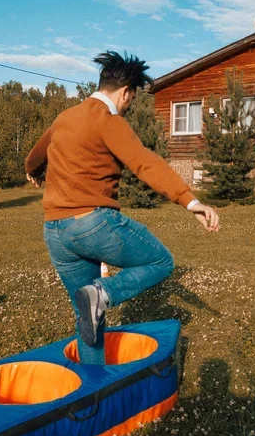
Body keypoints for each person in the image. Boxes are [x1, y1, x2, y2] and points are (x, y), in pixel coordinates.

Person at [25, 51, 219, 365]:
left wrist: (33, 170)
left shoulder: (65, 117)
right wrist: (190, 201)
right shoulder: (108, 120)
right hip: (92, 224)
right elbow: (144, 162)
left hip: (55, 232)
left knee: (87, 316)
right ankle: (102, 293)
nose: (129, 105)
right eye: (132, 98)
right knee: (160, 261)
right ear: (126, 92)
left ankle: (95, 382)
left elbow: (36, 153)